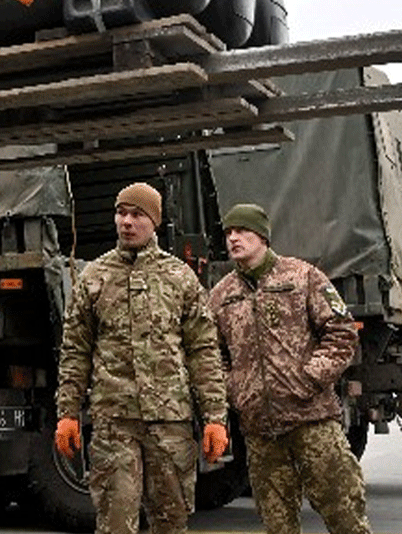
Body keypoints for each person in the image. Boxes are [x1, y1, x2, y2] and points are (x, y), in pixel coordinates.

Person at [53, 182, 228, 534]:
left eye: (137, 215)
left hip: (170, 423)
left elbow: (203, 352)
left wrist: (215, 418)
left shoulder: (180, 278)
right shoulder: (94, 278)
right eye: (121, 213)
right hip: (114, 422)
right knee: (116, 523)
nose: (126, 222)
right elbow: (75, 351)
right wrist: (67, 413)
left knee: (171, 522)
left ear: (154, 222)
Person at [207, 202, 370, 534]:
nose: (233, 239)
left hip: (312, 422)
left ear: (263, 237)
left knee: (345, 515)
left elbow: (341, 333)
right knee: (277, 524)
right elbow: (211, 353)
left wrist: (310, 378)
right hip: (260, 430)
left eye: (242, 231)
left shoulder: (302, 277)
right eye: (228, 233)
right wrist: (235, 387)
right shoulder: (222, 294)